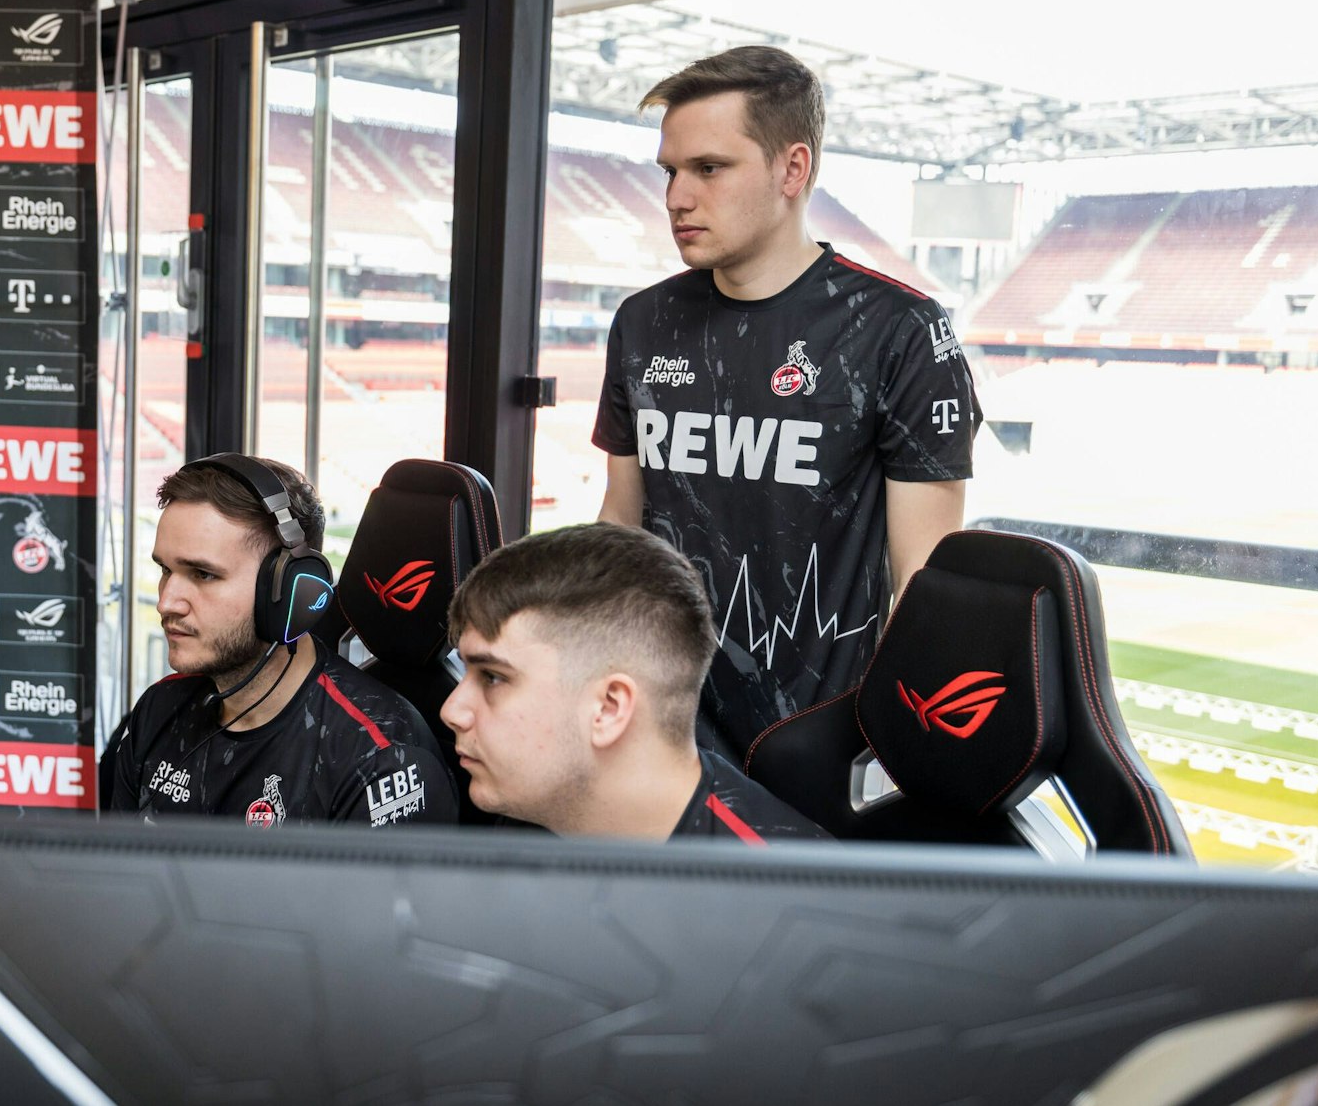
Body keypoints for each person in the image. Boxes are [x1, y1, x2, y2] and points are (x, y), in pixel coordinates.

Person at [594, 45, 981, 755]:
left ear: (792, 169)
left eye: (709, 168)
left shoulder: (899, 330)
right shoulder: (644, 321)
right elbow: (622, 521)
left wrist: (884, 748)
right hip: (659, 724)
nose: (677, 197)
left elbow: (922, 580)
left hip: (821, 743)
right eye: (671, 171)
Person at [100, 454, 459, 828]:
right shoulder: (160, 709)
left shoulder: (378, 760)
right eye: (165, 570)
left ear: (288, 592)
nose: (166, 602)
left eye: (203, 574)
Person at [440, 522, 826, 843]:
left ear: (609, 708)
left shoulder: (784, 896)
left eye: (492, 677)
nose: (451, 711)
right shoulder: (527, 822)